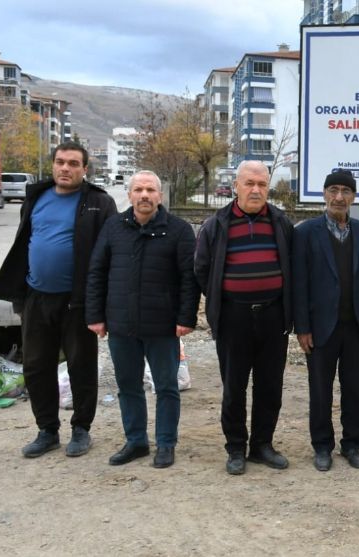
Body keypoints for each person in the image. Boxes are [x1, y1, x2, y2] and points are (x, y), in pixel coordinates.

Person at [0, 141, 117, 458]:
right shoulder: (36, 198)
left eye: (74, 163)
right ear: (53, 165)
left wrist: (102, 304)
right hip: (36, 298)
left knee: (81, 366)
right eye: (61, 162)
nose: (66, 168)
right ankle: (47, 430)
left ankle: (81, 429)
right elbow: (25, 241)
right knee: (36, 367)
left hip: (78, 302)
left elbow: (110, 255)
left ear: (84, 169)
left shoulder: (98, 203)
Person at [85, 171, 199, 468]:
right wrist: (95, 316)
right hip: (121, 325)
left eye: (150, 190)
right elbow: (97, 272)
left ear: (160, 196)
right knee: (128, 386)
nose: (145, 195)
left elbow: (190, 278)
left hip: (163, 326)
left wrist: (186, 317)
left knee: (166, 387)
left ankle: (165, 443)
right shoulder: (113, 227)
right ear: (130, 194)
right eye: (139, 189)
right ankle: (136, 441)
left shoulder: (179, 230)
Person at [194, 160, 295, 475]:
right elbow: (201, 269)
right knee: (234, 387)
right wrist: (225, 297)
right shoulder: (217, 224)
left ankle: (262, 445)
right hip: (233, 317)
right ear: (235, 186)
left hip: (273, 316)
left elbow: (291, 265)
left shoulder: (281, 222)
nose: (255, 190)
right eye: (249, 183)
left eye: (262, 184)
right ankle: (235, 448)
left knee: (270, 386)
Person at [293, 169, 359, 472]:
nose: (339, 197)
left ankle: (352, 444)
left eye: (345, 191)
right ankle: (322, 446)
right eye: (333, 190)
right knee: (320, 389)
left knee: (355, 388)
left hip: (355, 326)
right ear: (324, 194)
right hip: (319, 328)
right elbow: (299, 283)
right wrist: (301, 327)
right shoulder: (305, 233)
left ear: (354, 196)